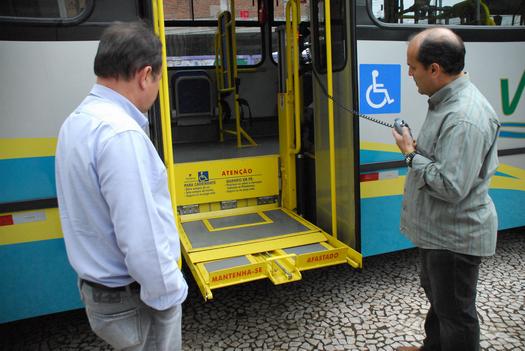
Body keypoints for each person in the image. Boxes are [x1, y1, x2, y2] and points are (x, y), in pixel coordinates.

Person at [55, 22, 188, 351]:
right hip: (134, 300)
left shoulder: (76, 122)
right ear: (145, 75)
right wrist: (171, 296)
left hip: (98, 295)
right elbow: (143, 239)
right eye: (159, 79)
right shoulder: (121, 135)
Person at [393, 27, 500, 351]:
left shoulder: (464, 117)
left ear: (434, 70)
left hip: (454, 238)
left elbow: (451, 186)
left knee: (456, 315)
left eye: (413, 66)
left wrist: (411, 154)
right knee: (442, 303)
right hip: (439, 232)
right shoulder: (445, 103)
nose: (409, 73)